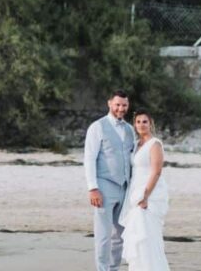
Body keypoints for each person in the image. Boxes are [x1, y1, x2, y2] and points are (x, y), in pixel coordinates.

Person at [84, 89, 135, 271]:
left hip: (125, 188)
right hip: (104, 186)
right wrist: (93, 188)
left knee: (120, 235)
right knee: (103, 235)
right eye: (118, 104)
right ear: (109, 104)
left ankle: (114, 269)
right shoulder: (97, 127)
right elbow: (89, 158)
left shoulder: (130, 130)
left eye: (124, 105)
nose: (121, 108)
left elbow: (132, 158)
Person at [119, 110, 170, 271]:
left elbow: (156, 171)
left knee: (147, 236)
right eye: (138, 122)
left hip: (149, 193)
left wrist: (145, 195)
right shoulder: (135, 145)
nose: (141, 125)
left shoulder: (155, 144)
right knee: (136, 236)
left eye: (145, 121)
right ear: (134, 124)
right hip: (134, 193)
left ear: (150, 124)